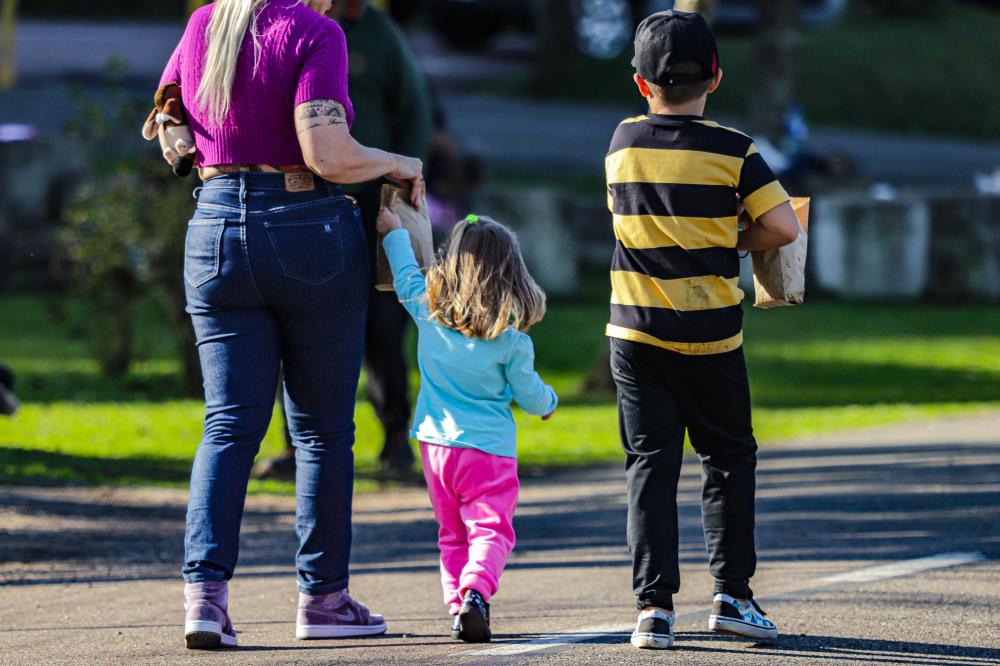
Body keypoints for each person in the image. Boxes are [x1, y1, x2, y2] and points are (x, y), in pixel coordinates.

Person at [157, 0, 424, 650]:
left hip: (213, 225)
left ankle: (204, 601)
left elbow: (168, 120)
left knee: (227, 425)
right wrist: (399, 163)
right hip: (305, 227)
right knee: (323, 430)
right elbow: (327, 153)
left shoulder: (204, 26)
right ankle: (324, 600)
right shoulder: (314, 33)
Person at [605, 11, 800, 650]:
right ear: (715, 75)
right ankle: (732, 596)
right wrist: (731, 239)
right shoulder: (734, 150)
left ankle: (653, 609)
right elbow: (783, 229)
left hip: (634, 331)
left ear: (641, 83)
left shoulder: (622, 143)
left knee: (649, 464)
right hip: (711, 335)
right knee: (726, 457)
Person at [253, 0, 433, 480]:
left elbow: (414, 110)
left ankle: (396, 438)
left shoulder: (379, 33)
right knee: (295, 324)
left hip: (372, 202)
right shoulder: (286, 25)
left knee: (384, 326)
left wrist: (405, 186)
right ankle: (295, 445)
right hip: (304, 200)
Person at [375, 211, 557, 643]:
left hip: (435, 448)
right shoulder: (511, 342)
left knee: (452, 533)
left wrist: (394, 233)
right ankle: (476, 591)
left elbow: (404, 274)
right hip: (488, 451)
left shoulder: (426, 311)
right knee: (491, 529)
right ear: (511, 273)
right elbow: (530, 394)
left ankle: (460, 606)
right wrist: (549, 403)